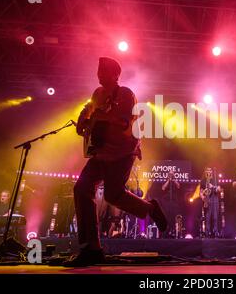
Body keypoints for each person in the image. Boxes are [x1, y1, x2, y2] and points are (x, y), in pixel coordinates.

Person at [67, 57, 167, 266]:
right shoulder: (97, 94)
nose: (99, 74)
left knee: (113, 195)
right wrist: (84, 122)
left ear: (115, 74)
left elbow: (123, 124)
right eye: (98, 70)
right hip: (101, 152)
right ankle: (90, 249)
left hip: (122, 153)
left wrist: (101, 116)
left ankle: (150, 208)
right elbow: (91, 117)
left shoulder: (125, 94)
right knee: (81, 189)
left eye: (103, 70)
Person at [200, 167, 222, 238]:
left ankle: (215, 231)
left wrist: (212, 186)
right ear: (205, 172)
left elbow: (219, 189)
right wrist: (203, 197)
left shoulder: (215, 179)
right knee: (207, 217)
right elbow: (200, 192)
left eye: (210, 170)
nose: (209, 172)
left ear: (212, 172)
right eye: (207, 170)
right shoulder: (203, 180)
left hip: (215, 199)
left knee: (215, 217)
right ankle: (207, 232)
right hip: (207, 199)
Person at [160, 170, 181, 237]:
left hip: (174, 202)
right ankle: (165, 231)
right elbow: (163, 188)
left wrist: (174, 180)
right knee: (166, 216)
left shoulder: (175, 181)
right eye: (170, 174)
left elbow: (178, 186)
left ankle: (175, 231)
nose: (171, 175)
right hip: (166, 202)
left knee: (174, 216)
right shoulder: (166, 181)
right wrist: (168, 181)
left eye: (172, 174)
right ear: (168, 174)